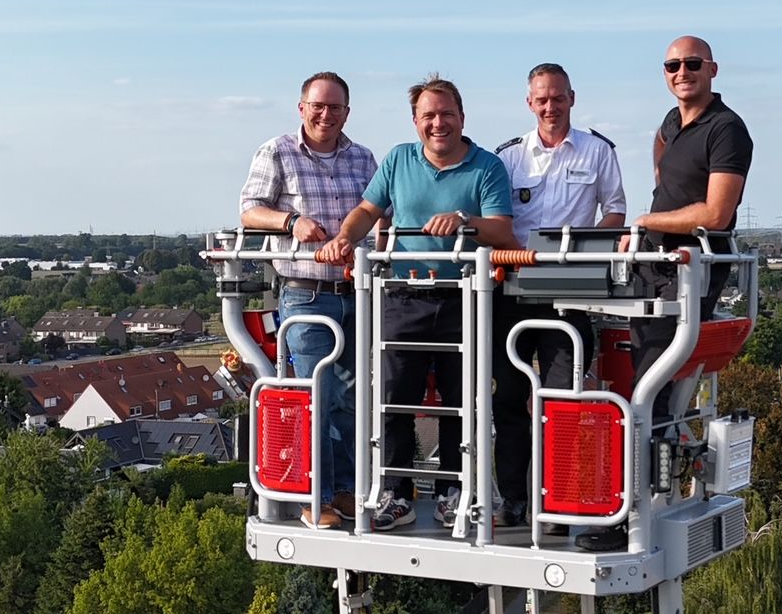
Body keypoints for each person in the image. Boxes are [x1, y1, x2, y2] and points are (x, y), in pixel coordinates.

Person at [318, 75, 516, 530]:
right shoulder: (398, 160)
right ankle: (395, 494)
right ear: (415, 121)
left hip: (464, 298)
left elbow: (503, 230)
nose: (438, 123)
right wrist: (345, 237)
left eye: (446, 114)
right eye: (428, 115)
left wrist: (464, 221)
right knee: (393, 400)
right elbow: (368, 211)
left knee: (460, 401)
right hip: (403, 296)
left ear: (462, 118)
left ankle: (454, 494)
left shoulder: (487, 166)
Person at [577, 36, 752, 552]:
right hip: (654, 265)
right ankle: (635, 502)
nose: (682, 72)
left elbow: (716, 213)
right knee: (646, 386)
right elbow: (664, 180)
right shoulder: (670, 125)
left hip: (690, 270)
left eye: (692, 63)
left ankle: (627, 517)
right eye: (672, 65)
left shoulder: (727, 129)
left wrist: (647, 221)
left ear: (712, 69)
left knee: (647, 393)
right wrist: (647, 230)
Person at [239, 72, 378, 527]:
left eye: (335, 107)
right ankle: (314, 499)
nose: (326, 115)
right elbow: (249, 209)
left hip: (356, 292)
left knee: (351, 398)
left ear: (347, 113)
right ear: (302, 108)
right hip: (306, 294)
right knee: (317, 395)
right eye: (318, 106)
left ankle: (347, 492)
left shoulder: (363, 158)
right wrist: (290, 222)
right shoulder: (277, 151)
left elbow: (380, 213)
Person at [493, 63, 627, 526]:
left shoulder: (597, 151)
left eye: (558, 97)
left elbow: (615, 212)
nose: (550, 106)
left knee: (562, 400)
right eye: (542, 99)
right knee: (508, 399)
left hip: (569, 292)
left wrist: (586, 250)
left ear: (572, 98)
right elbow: (495, 216)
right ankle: (514, 501)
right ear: (530, 103)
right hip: (512, 289)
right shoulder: (509, 158)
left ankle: (556, 503)